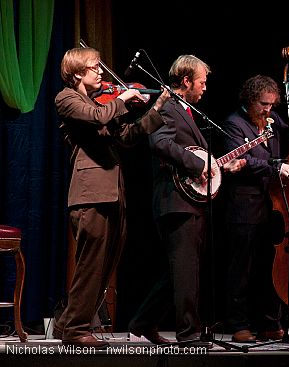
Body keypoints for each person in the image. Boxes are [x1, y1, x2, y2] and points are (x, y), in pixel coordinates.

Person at [53, 47, 170, 348]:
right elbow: (96, 117)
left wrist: (157, 109)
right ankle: (76, 328)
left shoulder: (100, 104)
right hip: (90, 193)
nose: (102, 72)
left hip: (113, 192)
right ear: (78, 73)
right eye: (95, 67)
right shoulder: (67, 99)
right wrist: (121, 99)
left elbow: (128, 137)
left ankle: (67, 322)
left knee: (106, 265)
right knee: (90, 266)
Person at [127, 55, 245, 345]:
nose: (205, 88)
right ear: (186, 80)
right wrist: (197, 164)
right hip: (174, 200)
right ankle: (189, 333)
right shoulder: (167, 106)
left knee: (177, 270)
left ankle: (142, 322)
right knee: (185, 270)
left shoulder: (187, 111)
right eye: (202, 82)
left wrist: (219, 166)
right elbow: (160, 143)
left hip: (190, 199)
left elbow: (192, 153)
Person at [221, 75, 289, 343]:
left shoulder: (273, 120)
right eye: (262, 104)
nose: (268, 109)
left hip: (273, 206)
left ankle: (270, 322)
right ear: (249, 100)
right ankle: (238, 323)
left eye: (271, 104)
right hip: (245, 206)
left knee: (271, 268)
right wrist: (276, 167)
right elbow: (241, 159)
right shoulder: (233, 124)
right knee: (242, 268)